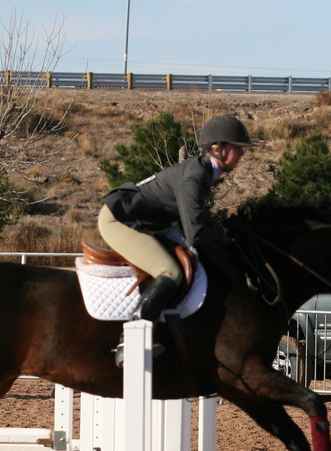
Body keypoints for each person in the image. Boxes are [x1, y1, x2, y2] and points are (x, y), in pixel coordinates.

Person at [98, 114, 256, 362]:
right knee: (170, 272)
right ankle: (130, 341)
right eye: (238, 149)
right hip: (118, 221)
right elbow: (196, 234)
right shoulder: (195, 176)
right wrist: (227, 228)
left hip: (141, 222)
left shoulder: (201, 172)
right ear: (218, 149)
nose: (243, 155)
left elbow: (192, 226)